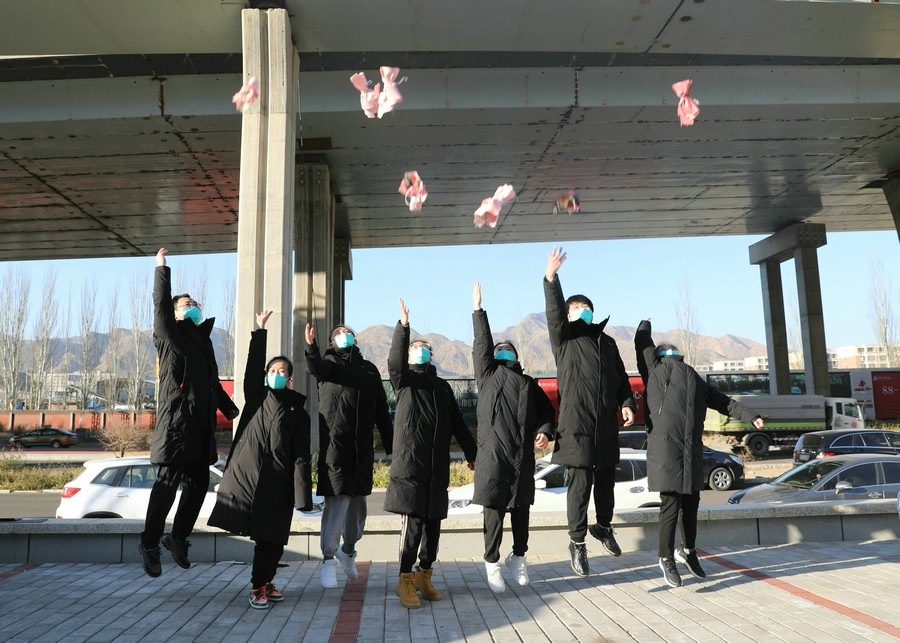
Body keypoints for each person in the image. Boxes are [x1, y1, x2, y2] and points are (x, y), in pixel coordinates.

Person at [634, 318, 764, 588]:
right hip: (666, 451)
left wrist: (750, 415)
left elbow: (722, 402)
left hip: (691, 450)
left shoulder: (693, 377)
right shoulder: (654, 369)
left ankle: (688, 551)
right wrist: (645, 324)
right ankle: (666, 557)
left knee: (691, 503)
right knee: (671, 504)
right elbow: (642, 342)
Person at [140, 247, 240, 578]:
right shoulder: (169, 335)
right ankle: (149, 544)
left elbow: (211, 383)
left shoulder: (204, 342)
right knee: (167, 484)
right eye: (186, 304)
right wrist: (161, 269)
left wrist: (228, 408)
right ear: (175, 313)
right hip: (176, 424)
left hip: (200, 426)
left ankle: (178, 538)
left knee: (198, 485)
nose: (193, 306)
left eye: (195, 303)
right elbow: (160, 305)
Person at [540, 246, 636, 578]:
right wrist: (551, 279)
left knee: (606, 483)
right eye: (577, 308)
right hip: (576, 426)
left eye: (587, 308)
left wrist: (627, 403)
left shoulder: (608, 343)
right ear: (568, 316)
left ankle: (603, 527)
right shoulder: (564, 339)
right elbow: (553, 311)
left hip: (605, 426)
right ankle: (577, 543)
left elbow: (622, 380)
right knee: (580, 487)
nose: (583, 312)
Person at [208, 310, 314, 609]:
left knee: (276, 539)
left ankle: (266, 582)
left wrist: (302, 495)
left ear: (290, 379)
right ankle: (258, 586)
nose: (277, 374)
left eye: (282, 371)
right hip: (250, 481)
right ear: (267, 376)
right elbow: (252, 367)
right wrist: (260, 331)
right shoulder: (256, 397)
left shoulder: (299, 413)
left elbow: (301, 456)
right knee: (266, 538)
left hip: (279, 484)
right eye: (273, 370)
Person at [384, 298, 477, 609]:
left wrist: (471, 452)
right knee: (413, 526)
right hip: (411, 466)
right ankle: (405, 578)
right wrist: (404, 328)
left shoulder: (442, 388)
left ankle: (425, 574)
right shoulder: (404, 382)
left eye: (425, 348)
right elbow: (395, 362)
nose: (421, 351)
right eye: (416, 348)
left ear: (431, 356)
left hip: (437, 467)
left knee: (434, 524)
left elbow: (458, 424)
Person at [471, 282, 556, 593]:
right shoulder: (487, 376)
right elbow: (482, 344)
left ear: (517, 356)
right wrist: (478, 310)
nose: (503, 350)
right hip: (493, 457)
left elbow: (547, 413)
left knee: (522, 512)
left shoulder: (529, 384)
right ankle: (492, 562)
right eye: (499, 349)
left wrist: (544, 432)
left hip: (521, 458)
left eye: (508, 348)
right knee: (493, 512)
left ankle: (518, 557)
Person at [304, 322, 394, 588]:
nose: (344, 335)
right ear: (332, 341)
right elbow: (316, 367)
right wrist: (311, 348)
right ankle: (328, 560)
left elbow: (382, 410)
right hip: (336, 448)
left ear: (355, 338)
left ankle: (348, 550)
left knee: (358, 507)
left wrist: (392, 447)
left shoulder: (369, 370)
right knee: (337, 503)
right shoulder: (330, 365)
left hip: (362, 451)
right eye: (338, 333)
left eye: (348, 332)